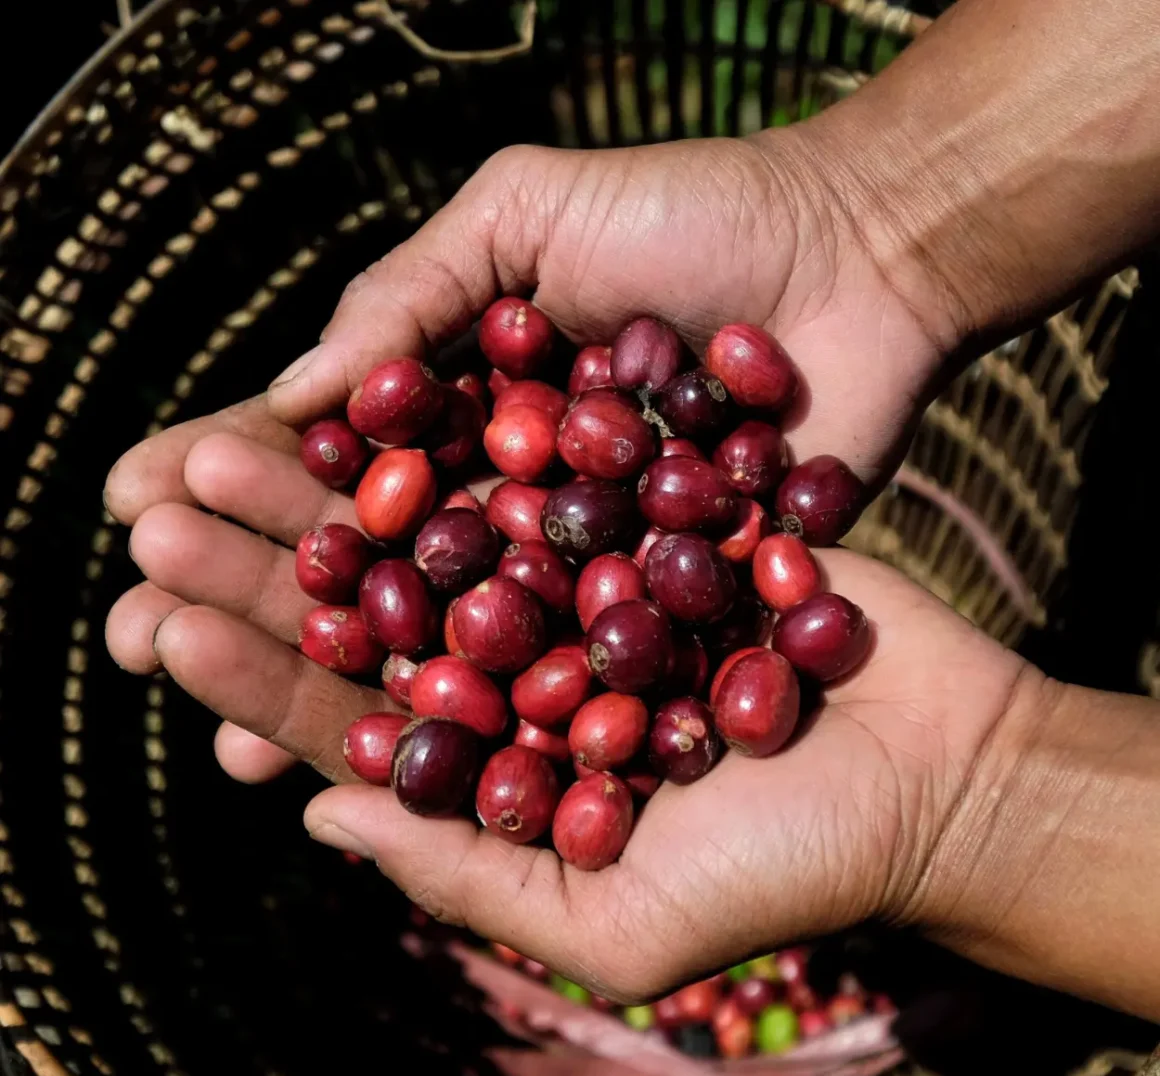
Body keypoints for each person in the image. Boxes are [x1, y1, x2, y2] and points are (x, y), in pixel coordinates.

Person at [103, 0, 1160, 1022]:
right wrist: (866, 216)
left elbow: (621, 563)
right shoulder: (588, 550)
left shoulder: (631, 523)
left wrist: (974, 815)